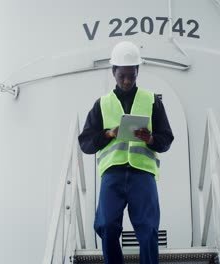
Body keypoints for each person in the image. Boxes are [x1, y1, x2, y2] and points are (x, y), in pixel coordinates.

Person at [78, 41, 174, 264]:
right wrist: (109, 134)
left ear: (138, 71)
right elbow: (85, 143)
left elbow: (166, 139)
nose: (127, 80)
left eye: (132, 75)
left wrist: (150, 138)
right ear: (114, 72)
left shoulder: (152, 102)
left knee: (149, 229)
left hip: (143, 174)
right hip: (113, 175)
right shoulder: (101, 105)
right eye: (122, 75)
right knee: (106, 225)